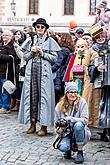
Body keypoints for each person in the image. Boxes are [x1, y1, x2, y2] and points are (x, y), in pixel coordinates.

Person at [18, 18, 61, 136]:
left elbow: (54, 59)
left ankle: (44, 126)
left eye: (42, 27)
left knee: (44, 98)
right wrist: (31, 52)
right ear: (35, 28)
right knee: (31, 97)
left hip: (45, 74)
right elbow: (25, 57)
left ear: (46, 29)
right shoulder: (30, 40)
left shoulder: (50, 41)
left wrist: (43, 53)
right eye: (38, 27)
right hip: (31, 73)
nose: (40, 29)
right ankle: (32, 123)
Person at [54, 81, 91, 164]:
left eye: (75, 92)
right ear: (66, 93)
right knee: (63, 147)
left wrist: (70, 119)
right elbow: (56, 123)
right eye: (71, 92)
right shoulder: (59, 105)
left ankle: (80, 152)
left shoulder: (82, 102)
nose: (73, 94)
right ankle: (68, 148)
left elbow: (85, 120)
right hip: (66, 133)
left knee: (78, 125)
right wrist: (59, 129)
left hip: (80, 131)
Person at [88, 23, 110, 142]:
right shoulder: (93, 50)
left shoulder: (109, 45)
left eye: (101, 35)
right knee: (102, 107)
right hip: (100, 83)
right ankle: (103, 131)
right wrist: (97, 68)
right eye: (97, 37)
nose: (100, 38)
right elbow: (89, 67)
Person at [0, 30, 18, 113]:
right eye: (3, 35)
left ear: (10, 37)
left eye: (6, 35)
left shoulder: (12, 46)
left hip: (6, 72)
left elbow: (12, 58)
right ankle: (1, 105)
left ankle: (6, 107)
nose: (4, 36)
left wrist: (1, 56)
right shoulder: (0, 45)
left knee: (5, 90)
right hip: (0, 71)